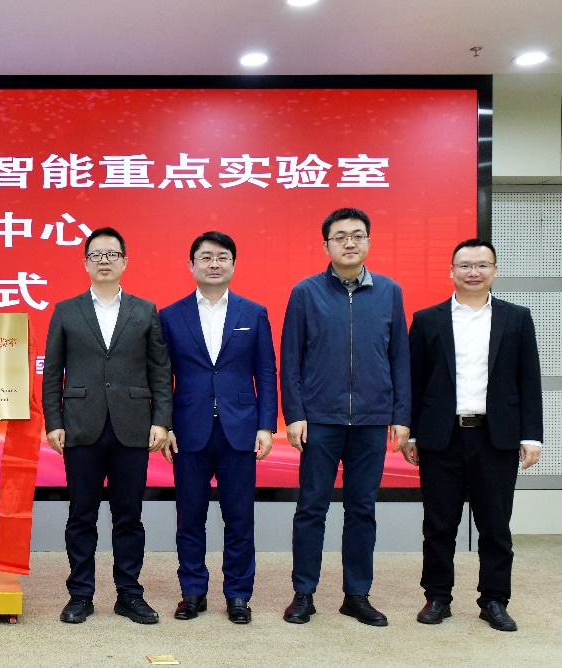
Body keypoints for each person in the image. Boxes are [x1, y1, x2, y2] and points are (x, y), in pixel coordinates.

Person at [403, 239, 543, 632]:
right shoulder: (427, 319)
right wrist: (412, 433)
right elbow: (415, 380)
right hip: (441, 436)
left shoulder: (516, 318)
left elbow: (529, 380)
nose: (473, 272)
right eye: (465, 265)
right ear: (451, 271)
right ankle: (437, 597)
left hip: (496, 437)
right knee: (439, 524)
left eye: (482, 265)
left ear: (495, 271)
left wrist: (532, 436)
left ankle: (494, 600)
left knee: (495, 526)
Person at [279, 207, 410, 627]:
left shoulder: (389, 291)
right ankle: (304, 593)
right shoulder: (306, 292)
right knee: (311, 507)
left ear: (368, 241)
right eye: (340, 236)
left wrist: (401, 415)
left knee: (362, 509)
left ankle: (357, 594)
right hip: (320, 419)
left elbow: (399, 358)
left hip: (372, 419)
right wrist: (295, 414)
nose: (349, 243)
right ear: (327, 245)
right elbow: (291, 359)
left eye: (357, 235)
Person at [43, 227, 174, 625]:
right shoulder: (66, 310)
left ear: (124, 262)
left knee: (128, 515)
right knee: (81, 514)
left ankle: (129, 594)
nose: (104, 261)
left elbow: (160, 370)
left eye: (112, 254)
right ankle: (80, 594)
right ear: (85, 263)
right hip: (80, 424)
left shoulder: (144, 310)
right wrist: (53, 421)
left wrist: (161, 420)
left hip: (132, 425)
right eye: (96, 255)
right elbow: (53, 372)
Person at [159, 231, 277, 625]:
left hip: (240, 428)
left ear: (233, 264)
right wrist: (165, 423)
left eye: (222, 257)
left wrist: (266, 425)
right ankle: (192, 592)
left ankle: (238, 594)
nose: (214, 264)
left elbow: (265, 371)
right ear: (191, 265)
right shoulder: (170, 315)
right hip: (187, 429)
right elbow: (162, 376)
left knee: (239, 518)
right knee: (190, 517)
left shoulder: (253, 312)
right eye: (206, 257)